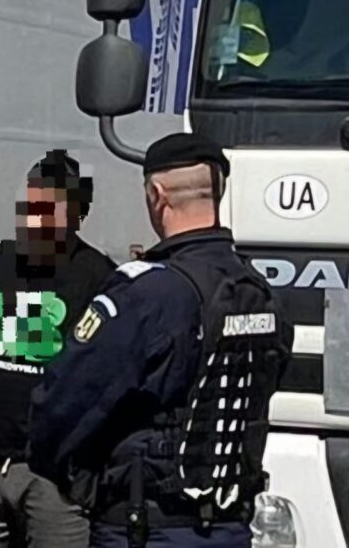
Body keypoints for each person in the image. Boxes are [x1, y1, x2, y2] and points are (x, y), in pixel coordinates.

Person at [29, 133, 293, 548]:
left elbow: (62, 403)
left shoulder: (146, 294)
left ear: (157, 195)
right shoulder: (258, 290)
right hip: (231, 525)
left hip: (148, 528)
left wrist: (71, 478)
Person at [0, 150, 113, 548]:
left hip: (54, 478)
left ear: (75, 214)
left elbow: (115, 372)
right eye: (31, 206)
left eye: (49, 209)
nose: (36, 220)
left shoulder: (98, 276)